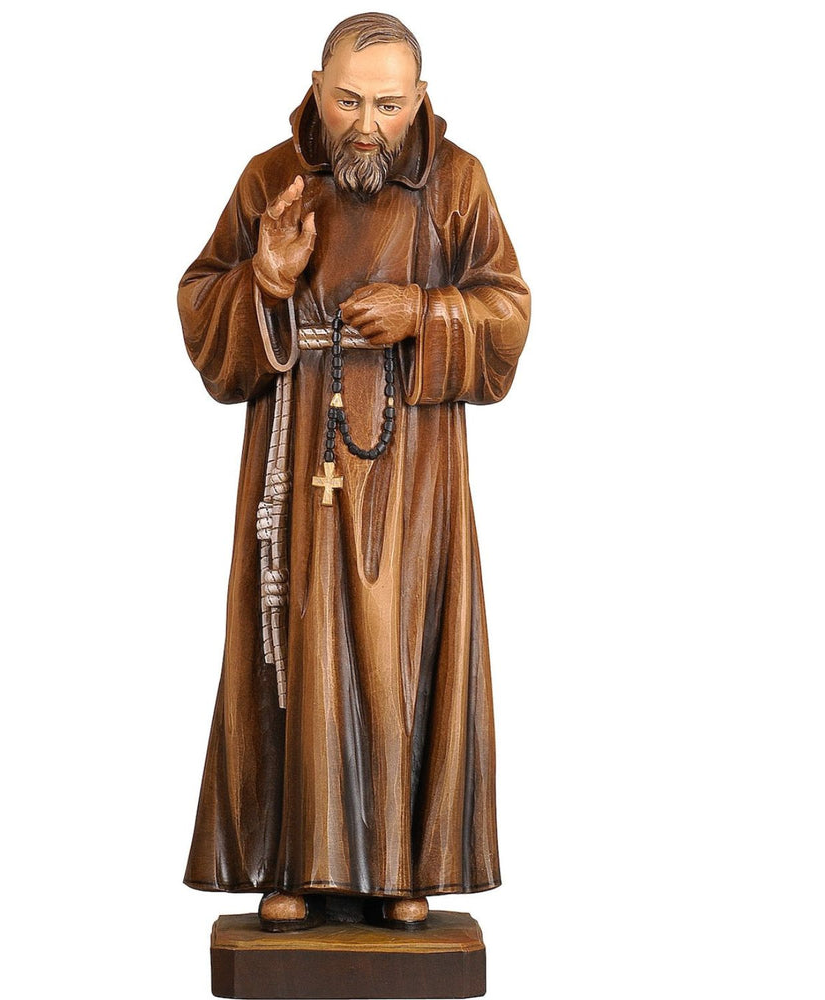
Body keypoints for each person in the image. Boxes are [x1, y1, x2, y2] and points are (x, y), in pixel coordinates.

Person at [178, 12, 531, 932]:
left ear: (420, 98)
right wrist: (265, 279)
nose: (366, 125)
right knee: (291, 645)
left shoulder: (457, 183)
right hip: (296, 455)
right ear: (316, 87)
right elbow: (203, 305)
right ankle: (291, 861)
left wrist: (425, 310)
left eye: (387, 103)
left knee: (401, 643)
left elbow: (507, 313)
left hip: (412, 473)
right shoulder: (271, 178)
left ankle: (400, 866)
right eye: (347, 101)